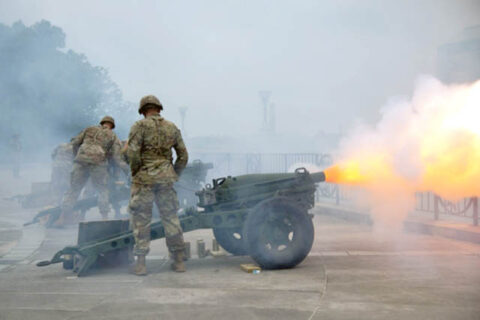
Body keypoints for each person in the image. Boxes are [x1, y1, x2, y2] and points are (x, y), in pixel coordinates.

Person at [127, 95, 188, 276]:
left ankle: (141, 264)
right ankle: (178, 261)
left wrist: (136, 171)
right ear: (159, 108)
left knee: (141, 220)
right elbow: (183, 156)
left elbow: (133, 153)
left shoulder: (139, 126)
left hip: (144, 179)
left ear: (143, 110)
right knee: (171, 218)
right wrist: (173, 173)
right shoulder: (172, 127)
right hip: (166, 179)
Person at [55, 116, 129, 227]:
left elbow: (75, 143)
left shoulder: (89, 129)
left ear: (102, 123)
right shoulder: (112, 135)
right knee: (102, 190)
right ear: (112, 126)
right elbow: (117, 157)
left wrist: (77, 155)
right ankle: (105, 218)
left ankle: (62, 217)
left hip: (81, 160)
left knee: (74, 189)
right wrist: (127, 171)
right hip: (98, 162)